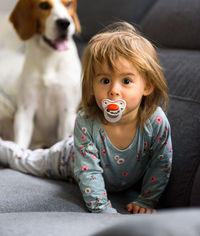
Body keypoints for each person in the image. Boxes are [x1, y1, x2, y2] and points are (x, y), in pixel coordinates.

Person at [0, 21, 172, 214]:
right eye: (105, 80)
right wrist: (101, 208)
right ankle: (5, 150)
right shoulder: (86, 121)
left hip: (118, 180)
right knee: (28, 161)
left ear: (147, 87)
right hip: (68, 159)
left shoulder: (155, 121)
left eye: (126, 81)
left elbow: (161, 162)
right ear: (92, 86)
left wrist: (147, 200)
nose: (114, 91)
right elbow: (87, 170)